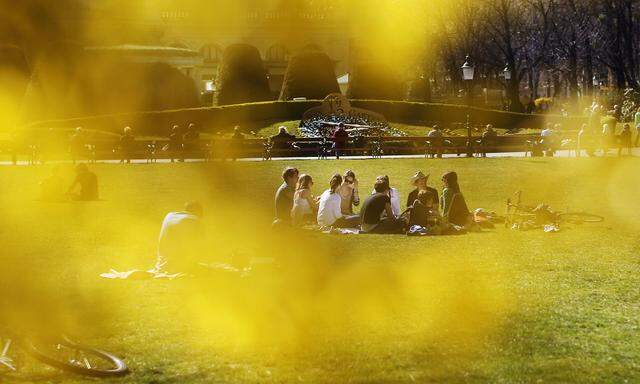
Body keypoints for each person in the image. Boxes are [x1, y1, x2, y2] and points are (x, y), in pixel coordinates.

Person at [156, 201, 205, 272]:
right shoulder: (195, 220)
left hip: (161, 263)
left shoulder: (169, 215)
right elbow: (200, 247)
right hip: (179, 266)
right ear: (198, 211)